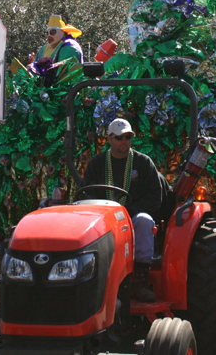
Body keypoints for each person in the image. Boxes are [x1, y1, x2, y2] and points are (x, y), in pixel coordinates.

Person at [82, 118, 163, 302]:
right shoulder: (97, 163)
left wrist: (129, 211)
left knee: (144, 220)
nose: (123, 141)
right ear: (109, 139)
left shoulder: (143, 163)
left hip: (132, 218)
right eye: (118, 138)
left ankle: (141, 281)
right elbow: (86, 194)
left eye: (127, 137)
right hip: (103, 220)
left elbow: (155, 197)